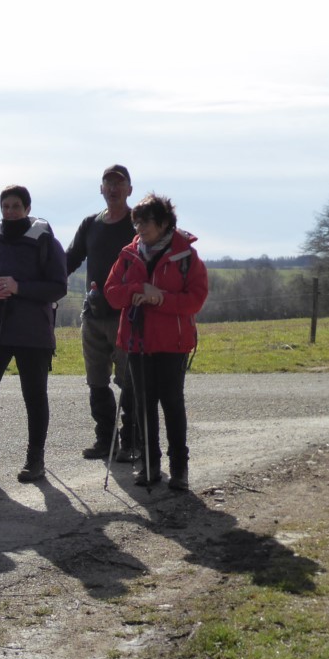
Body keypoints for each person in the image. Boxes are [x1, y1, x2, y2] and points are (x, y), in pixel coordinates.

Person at [104, 194, 208, 491]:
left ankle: (179, 470)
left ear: (163, 223)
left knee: (172, 404)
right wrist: (139, 288)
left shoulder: (186, 255)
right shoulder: (128, 254)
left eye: (145, 221)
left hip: (173, 343)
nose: (139, 227)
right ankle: (149, 467)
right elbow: (112, 293)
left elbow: (195, 300)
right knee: (143, 405)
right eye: (136, 221)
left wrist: (158, 298)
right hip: (136, 341)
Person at [0, 185, 67, 483]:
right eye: (5, 206)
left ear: (27, 207)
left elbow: (58, 286)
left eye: (15, 206)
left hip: (33, 334)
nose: (10, 211)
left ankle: (35, 460)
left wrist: (19, 287)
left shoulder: (47, 242)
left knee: (34, 397)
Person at [65, 164, 139, 462]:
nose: (113, 188)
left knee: (129, 382)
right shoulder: (90, 225)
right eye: (108, 183)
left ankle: (131, 441)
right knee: (97, 380)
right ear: (101, 189)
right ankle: (104, 441)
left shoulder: (138, 225)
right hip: (94, 314)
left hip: (128, 317)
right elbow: (69, 260)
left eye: (119, 184)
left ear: (129, 190)